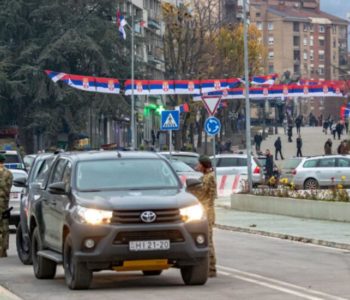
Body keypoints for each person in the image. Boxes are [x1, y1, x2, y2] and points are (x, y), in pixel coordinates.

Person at [186, 155, 217, 277]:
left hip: (206, 211)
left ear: (203, 165)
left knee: (207, 241)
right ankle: (210, 267)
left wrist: (191, 191)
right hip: (205, 210)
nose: (197, 166)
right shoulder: (205, 177)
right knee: (206, 240)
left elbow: (203, 193)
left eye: (199, 164)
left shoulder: (208, 178)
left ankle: (211, 268)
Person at [0, 154, 13, 257]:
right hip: (3, 203)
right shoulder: (8, 173)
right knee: (4, 226)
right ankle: (3, 250)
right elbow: (8, 188)